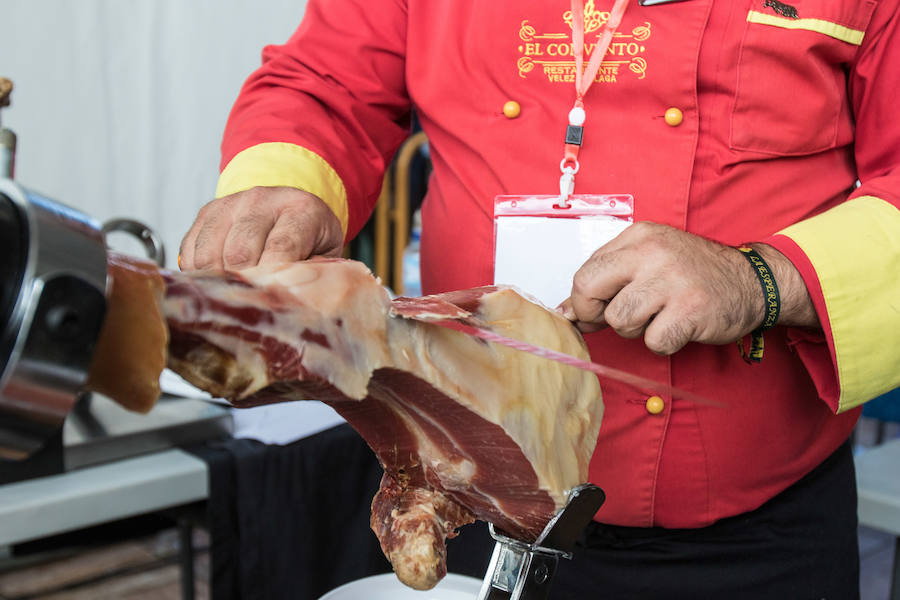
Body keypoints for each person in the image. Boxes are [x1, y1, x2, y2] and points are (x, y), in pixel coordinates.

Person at [179, 1, 900, 597]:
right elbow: (325, 82)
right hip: (473, 502)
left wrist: (761, 278)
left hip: (756, 547)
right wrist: (284, 182)